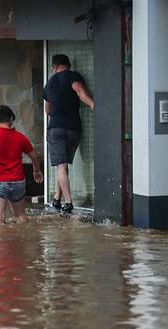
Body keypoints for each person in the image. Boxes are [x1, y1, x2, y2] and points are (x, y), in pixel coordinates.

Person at [43, 54, 95, 213]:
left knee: (61, 166)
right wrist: (94, 105)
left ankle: (68, 203)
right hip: (74, 128)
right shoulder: (73, 76)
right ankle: (57, 199)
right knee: (63, 166)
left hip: (56, 128)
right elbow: (80, 92)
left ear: (54, 67)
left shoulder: (49, 84)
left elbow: (47, 110)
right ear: (69, 64)